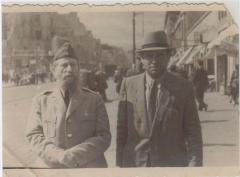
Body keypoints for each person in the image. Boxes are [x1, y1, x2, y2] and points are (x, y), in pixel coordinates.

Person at [116, 31, 203, 167]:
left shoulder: (183, 87)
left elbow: (193, 132)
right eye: (149, 56)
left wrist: (195, 166)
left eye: (160, 55)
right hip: (135, 164)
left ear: (168, 56)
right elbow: (121, 130)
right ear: (142, 59)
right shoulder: (128, 85)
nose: (154, 60)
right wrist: (119, 165)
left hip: (172, 165)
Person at [26, 36, 111, 168]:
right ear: (53, 70)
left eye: (73, 64)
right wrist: (58, 155)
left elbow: (104, 137)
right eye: (64, 65)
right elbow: (34, 135)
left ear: (78, 68)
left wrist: (74, 155)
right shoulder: (41, 101)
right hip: (53, 167)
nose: (69, 69)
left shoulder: (95, 100)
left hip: (88, 167)